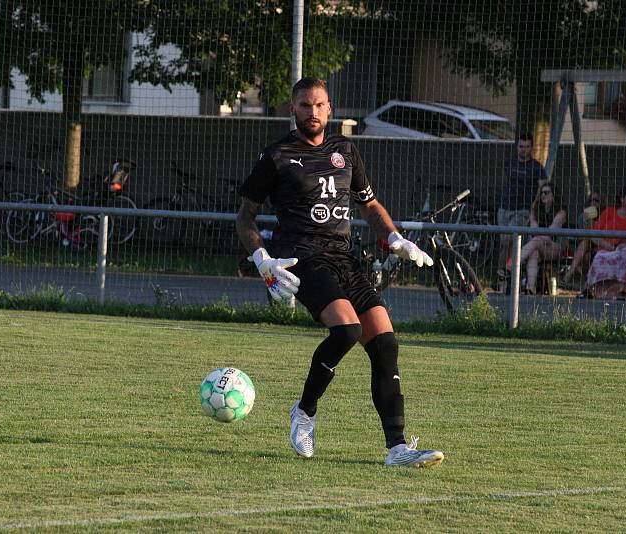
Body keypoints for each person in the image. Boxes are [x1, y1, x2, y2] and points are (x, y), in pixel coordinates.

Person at [235, 77, 444, 468]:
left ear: (330, 109)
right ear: (292, 110)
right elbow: (245, 217)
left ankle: (397, 448)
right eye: (303, 105)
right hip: (304, 259)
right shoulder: (276, 156)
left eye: (318, 105)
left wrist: (396, 238)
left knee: (385, 345)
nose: (311, 112)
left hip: (347, 258)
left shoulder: (345, 150)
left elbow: (369, 204)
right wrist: (262, 258)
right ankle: (305, 411)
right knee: (347, 330)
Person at [496, 133, 549, 279]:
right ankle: (501, 275)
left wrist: (533, 207)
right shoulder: (509, 162)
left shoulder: (537, 168)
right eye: (521, 146)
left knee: (511, 240)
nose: (523, 150)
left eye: (526, 147)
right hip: (504, 207)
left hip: (522, 209)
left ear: (531, 148)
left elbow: (542, 188)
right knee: (503, 243)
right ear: (516, 147)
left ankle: (510, 273)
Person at [517, 183, 566, 295]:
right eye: (542, 193)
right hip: (538, 246)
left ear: (554, 195)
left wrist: (539, 235)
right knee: (534, 253)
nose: (543, 195)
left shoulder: (561, 212)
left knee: (536, 241)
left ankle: (513, 264)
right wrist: (533, 212)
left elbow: (549, 236)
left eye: (547, 192)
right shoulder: (536, 210)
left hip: (556, 247)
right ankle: (531, 288)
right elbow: (534, 230)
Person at [562, 192, 602, 287]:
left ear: (601, 203)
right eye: (591, 200)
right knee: (586, 255)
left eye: (596, 200)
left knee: (586, 246)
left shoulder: (605, 215)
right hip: (585, 246)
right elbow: (582, 235)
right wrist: (587, 219)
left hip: (600, 245)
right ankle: (588, 283)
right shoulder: (583, 216)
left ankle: (568, 276)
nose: (593, 203)